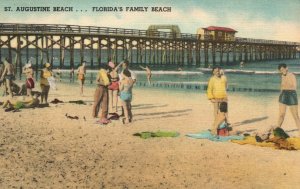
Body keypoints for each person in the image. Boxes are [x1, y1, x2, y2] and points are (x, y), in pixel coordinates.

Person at [277, 63, 300, 135]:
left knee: (295, 116)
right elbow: (282, 86)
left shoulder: (292, 75)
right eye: (281, 70)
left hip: (291, 95)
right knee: (281, 115)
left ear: (287, 68)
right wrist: (281, 93)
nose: (282, 71)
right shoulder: (282, 76)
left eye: (283, 69)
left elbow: (294, 87)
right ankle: (277, 130)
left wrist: (285, 87)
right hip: (283, 95)